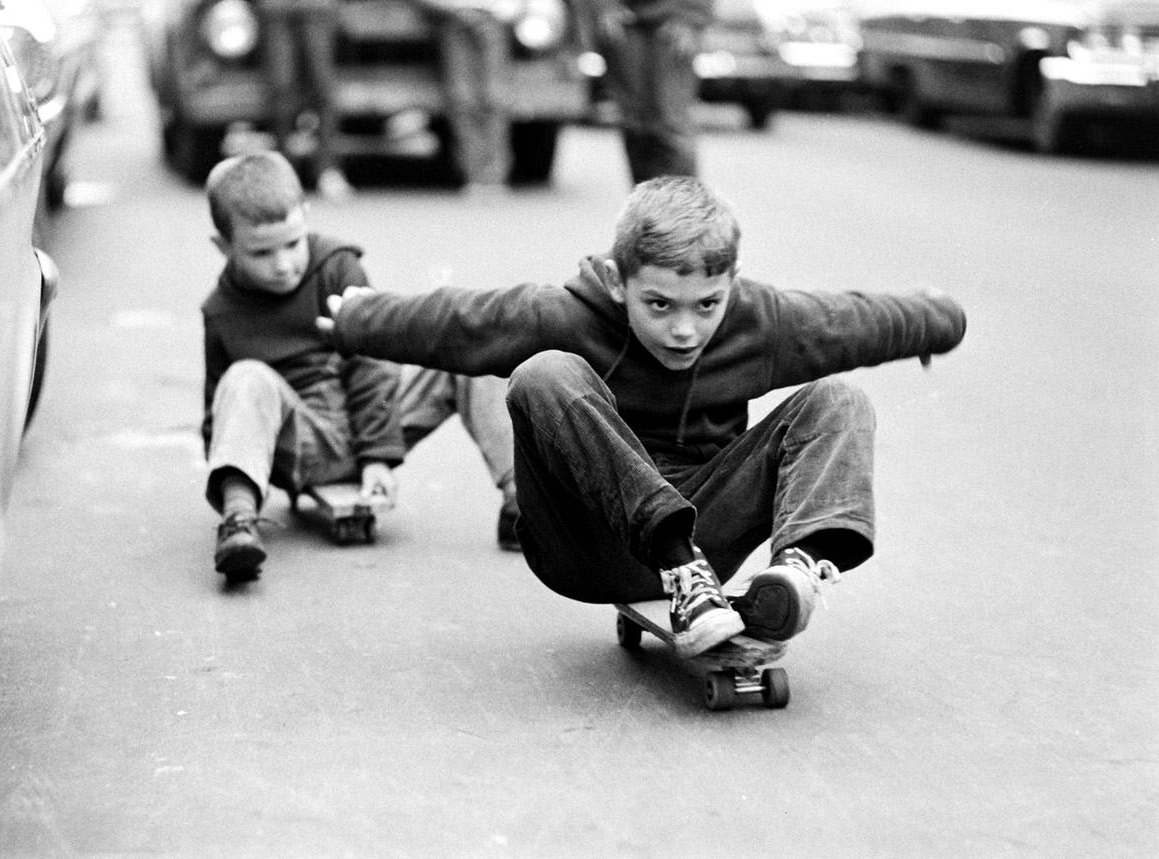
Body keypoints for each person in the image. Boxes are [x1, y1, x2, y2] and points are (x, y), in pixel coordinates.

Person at [318, 176, 967, 657]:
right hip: (585, 541)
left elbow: (856, 323)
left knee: (839, 399)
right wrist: (354, 320)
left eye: (706, 304)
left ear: (732, 282)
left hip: (710, 539)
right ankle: (677, 567)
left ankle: (795, 572)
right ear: (616, 279)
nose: (685, 330)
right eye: (658, 305)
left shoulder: (758, 323)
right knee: (546, 371)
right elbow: (459, 322)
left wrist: (940, 321)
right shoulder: (568, 315)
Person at [200, 151, 518, 582]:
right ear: (224, 247)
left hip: (374, 417)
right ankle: (238, 523)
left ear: (305, 217)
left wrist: (377, 457)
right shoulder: (221, 312)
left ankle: (520, 499)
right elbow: (217, 417)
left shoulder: (337, 267)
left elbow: (373, 360)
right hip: (303, 441)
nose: (283, 264)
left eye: (292, 244)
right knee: (244, 379)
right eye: (261, 252)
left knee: (469, 348)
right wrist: (249, 466)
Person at [593, 0, 709, 184]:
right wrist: (604, 8)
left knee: (670, 122)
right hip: (625, 22)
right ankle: (645, 202)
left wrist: (689, 18)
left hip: (673, 22)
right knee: (635, 122)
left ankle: (683, 204)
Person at [259, 0, 353, 201]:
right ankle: (283, 174)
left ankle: (327, 170)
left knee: (323, 90)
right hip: (278, 10)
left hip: (316, 8)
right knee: (281, 90)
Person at [415, 0, 512, 192]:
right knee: (462, 99)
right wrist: (458, 11)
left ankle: (495, 176)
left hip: (493, 20)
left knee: (494, 97)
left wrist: (500, 12)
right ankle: (474, 175)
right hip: (453, 21)